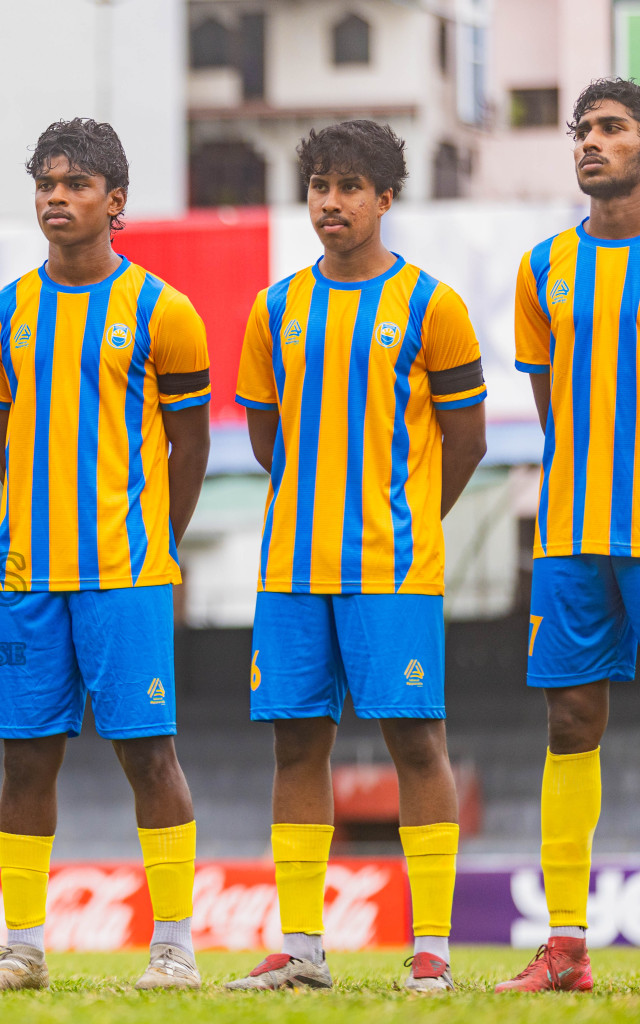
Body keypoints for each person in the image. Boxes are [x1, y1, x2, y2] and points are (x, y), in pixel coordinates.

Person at [228, 120, 486, 993]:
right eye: (318, 187)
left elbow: (469, 439)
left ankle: (433, 953)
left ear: (385, 197)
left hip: (392, 568)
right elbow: (266, 437)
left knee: (418, 741)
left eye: (348, 187)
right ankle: (302, 949)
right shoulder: (277, 308)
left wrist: (406, 517)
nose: (329, 203)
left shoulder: (433, 306)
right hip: (292, 570)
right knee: (296, 746)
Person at [0, 119, 210, 992]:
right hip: (30, 577)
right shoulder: (4, 315)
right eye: (44, 183)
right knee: (25, 757)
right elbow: (3, 439)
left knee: (149, 753)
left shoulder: (164, 311)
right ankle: (21, 947)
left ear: (117, 202)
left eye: (76, 183)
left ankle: (174, 944)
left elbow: (191, 446)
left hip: (126, 574)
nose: (55, 197)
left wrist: (154, 544)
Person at [496, 77, 640, 995]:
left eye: (612, 127)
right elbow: (554, 407)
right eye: (580, 129)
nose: (590, 141)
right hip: (574, 527)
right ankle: (567, 948)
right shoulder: (544, 264)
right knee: (570, 718)